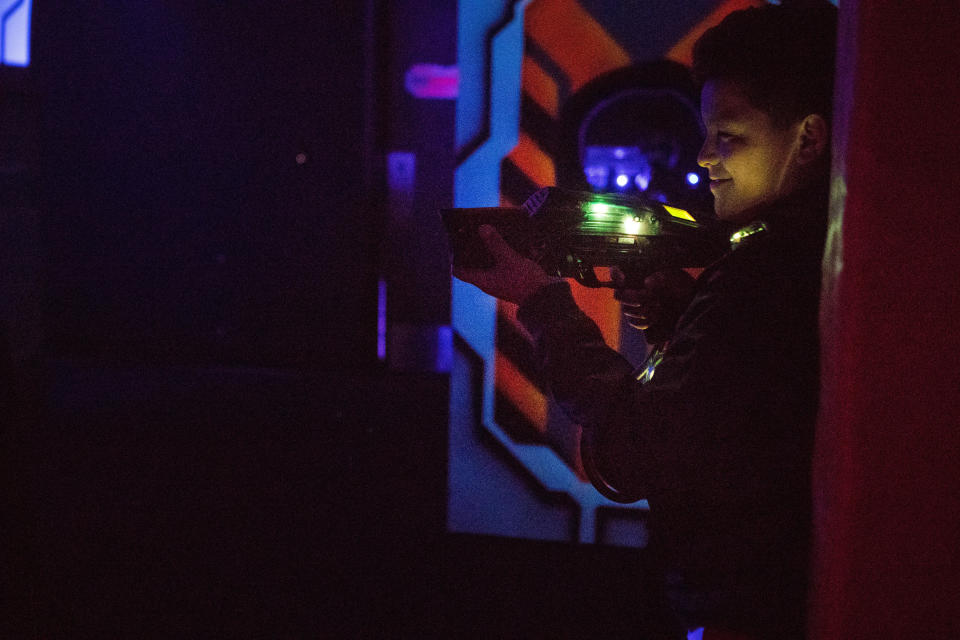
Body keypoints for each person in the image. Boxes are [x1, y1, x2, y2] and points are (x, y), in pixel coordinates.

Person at [453, 5, 837, 639]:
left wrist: (543, 304)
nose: (706, 157)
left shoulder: (763, 272)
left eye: (730, 137)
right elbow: (737, 419)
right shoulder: (797, 254)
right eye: (708, 134)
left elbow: (636, 452)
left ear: (809, 139)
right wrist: (682, 327)